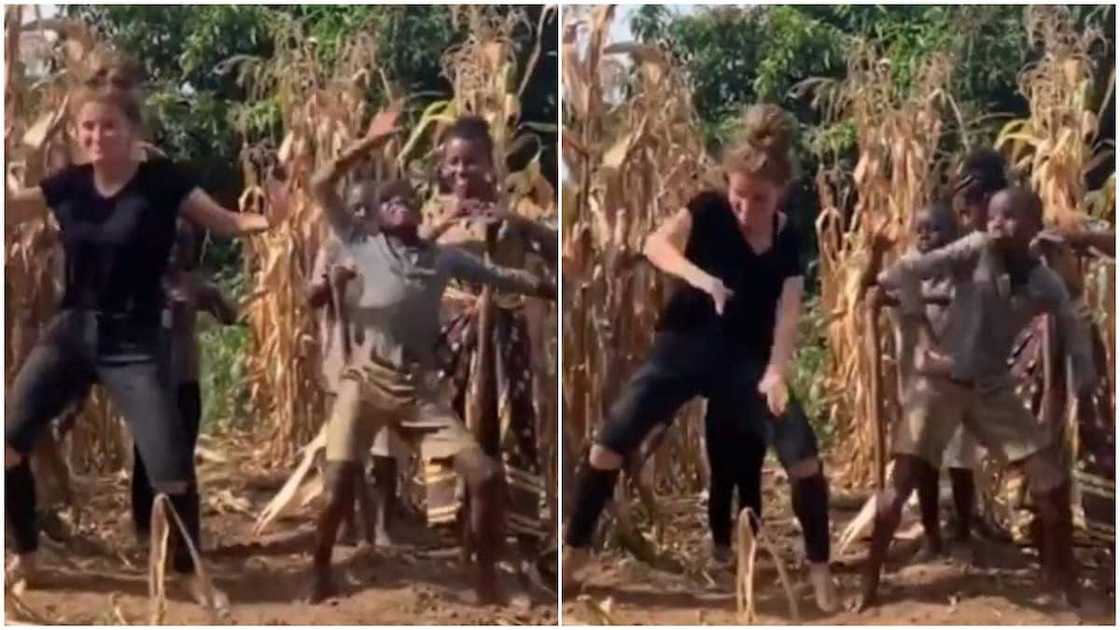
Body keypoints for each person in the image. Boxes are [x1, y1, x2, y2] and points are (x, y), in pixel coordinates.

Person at [4, 62, 289, 605]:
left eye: (108, 127)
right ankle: (27, 556)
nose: (96, 137)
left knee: (170, 469)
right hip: (71, 333)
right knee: (9, 443)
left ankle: (188, 571)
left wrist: (271, 218)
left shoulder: (165, 184)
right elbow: (13, 209)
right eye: (87, 129)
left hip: (134, 341)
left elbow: (226, 222)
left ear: (133, 133)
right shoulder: (69, 185)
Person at [562, 104, 838, 613]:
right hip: (683, 348)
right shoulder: (709, 210)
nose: (745, 209)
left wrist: (776, 372)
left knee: (803, 456)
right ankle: (573, 554)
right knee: (609, 444)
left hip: (745, 362)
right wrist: (700, 277)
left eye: (759, 199)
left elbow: (788, 314)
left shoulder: (789, 239)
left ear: (780, 194)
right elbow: (655, 245)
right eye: (738, 196)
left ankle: (821, 573)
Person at [306, 110, 555, 605]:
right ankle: (320, 570)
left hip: (422, 384)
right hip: (379, 376)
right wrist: (367, 145)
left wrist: (551, 284)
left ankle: (488, 583)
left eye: (408, 201)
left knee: (485, 470)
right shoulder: (365, 243)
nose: (400, 206)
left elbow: (514, 280)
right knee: (338, 483)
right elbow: (321, 184)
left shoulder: (444, 256)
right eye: (389, 203)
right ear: (374, 219)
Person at [867, 187, 1095, 610]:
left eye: (1008, 217)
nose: (996, 225)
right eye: (992, 217)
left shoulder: (1044, 280)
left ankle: (1064, 577)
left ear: (1032, 225)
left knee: (1050, 480)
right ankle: (869, 585)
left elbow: (1073, 323)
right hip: (942, 381)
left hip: (991, 388)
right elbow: (907, 271)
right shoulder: (974, 249)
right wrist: (916, 330)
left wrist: (1084, 378)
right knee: (899, 486)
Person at [423, 115, 558, 582]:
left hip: (506, 342)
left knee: (508, 437)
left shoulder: (517, 218)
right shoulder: (431, 218)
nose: (462, 173)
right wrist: (443, 226)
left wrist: (516, 222)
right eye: (453, 164)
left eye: (472, 163)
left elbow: (561, 266)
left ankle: (518, 545)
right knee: (459, 438)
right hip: (454, 343)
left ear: (492, 165)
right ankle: (468, 547)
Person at [870, 200, 968, 562]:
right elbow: (871, 286)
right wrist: (877, 252)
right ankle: (932, 535)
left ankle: (963, 534)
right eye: (920, 230)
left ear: (954, 235)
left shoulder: (963, 270)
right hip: (918, 383)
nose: (925, 236)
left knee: (961, 462)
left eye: (936, 229)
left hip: (958, 382)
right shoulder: (909, 266)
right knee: (923, 463)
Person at [307, 193, 405, 548]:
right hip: (342, 358)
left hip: (383, 357)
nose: (362, 214)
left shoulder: (391, 249)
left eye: (369, 208)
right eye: (356, 207)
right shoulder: (333, 246)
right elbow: (312, 296)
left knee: (385, 449)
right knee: (345, 448)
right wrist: (330, 283)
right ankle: (348, 522)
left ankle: (382, 527)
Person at [131, 220, 238, 544]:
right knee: (145, 459)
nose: (177, 248)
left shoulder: (193, 286)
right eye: (172, 241)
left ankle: (183, 537)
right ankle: (145, 531)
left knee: (183, 460)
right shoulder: (138, 284)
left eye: (184, 242)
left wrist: (214, 296)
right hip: (149, 385)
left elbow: (231, 316)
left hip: (185, 384)